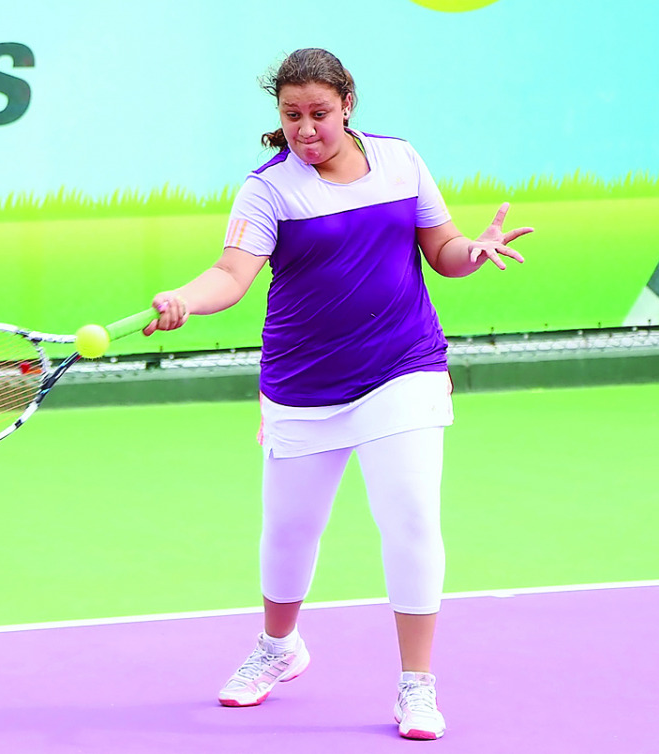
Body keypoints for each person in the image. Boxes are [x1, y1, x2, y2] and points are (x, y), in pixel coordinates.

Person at [143, 47, 532, 741]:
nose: (305, 128)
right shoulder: (268, 189)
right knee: (290, 534)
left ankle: (417, 686)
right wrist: (183, 300)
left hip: (402, 366)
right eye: (292, 115)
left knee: (410, 517)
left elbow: (441, 251)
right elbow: (230, 275)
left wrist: (473, 250)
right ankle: (278, 648)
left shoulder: (401, 160)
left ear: (347, 104)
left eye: (318, 113)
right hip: (303, 383)